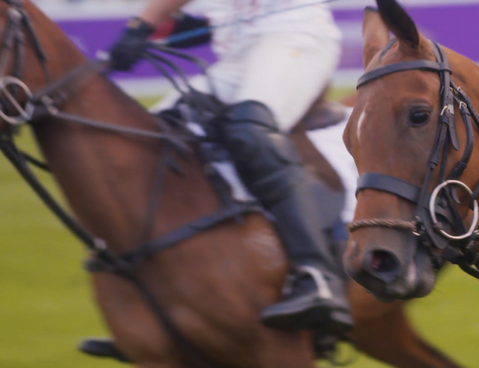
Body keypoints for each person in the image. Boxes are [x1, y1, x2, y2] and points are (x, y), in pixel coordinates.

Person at [107, 0, 352, 336]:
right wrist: (184, 27)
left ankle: (318, 276)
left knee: (251, 132)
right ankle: (154, 296)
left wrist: (141, 27)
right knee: (154, 139)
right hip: (238, 56)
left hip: (296, 38)